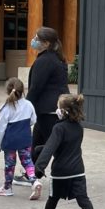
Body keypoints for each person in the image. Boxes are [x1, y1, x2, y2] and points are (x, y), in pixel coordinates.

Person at [29, 93, 101, 209]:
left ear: (63, 111)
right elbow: (65, 146)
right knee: (83, 198)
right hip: (78, 171)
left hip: (61, 172)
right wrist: (40, 148)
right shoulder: (79, 128)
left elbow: (51, 147)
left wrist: (39, 167)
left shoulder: (58, 128)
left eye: (58, 107)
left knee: (53, 198)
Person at [26, 26, 70, 154]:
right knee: (37, 146)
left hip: (48, 111)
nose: (33, 40)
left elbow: (35, 88)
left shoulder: (45, 60)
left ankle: (66, 166)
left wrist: (25, 107)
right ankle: (33, 167)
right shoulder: (56, 58)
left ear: (46, 43)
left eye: (36, 38)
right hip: (49, 110)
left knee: (55, 148)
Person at [0, 77, 37, 197]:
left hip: (10, 141)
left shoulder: (6, 108)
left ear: (8, 91)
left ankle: (7, 188)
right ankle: (34, 181)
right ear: (22, 91)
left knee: (10, 165)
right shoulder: (28, 104)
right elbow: (33, 120)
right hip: (25, 139)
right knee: (27, 161)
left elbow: (0, 129)